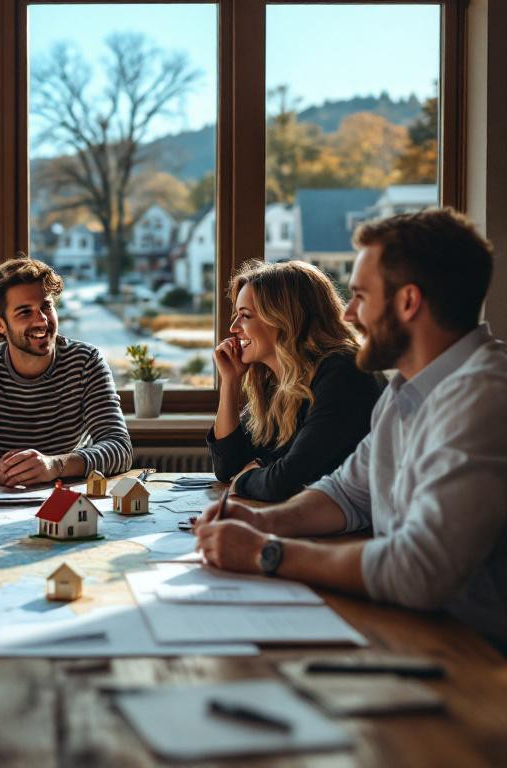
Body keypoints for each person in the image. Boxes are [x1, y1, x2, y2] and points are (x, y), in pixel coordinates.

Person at [194, 208, 507, 649]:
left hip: (480, 652)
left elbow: (419, 571)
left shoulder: (483, 397)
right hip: (421, 627)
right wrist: (259, 518)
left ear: (407, 302)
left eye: (359, 295)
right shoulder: (406, 391)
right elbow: (347, 494)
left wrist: (267, 552)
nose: (348, 314)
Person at [0, 256, 132, 486]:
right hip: (0, 496)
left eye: (46, 307)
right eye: (24, 312)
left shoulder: (86, 362)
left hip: (70, 496)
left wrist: (55, 466)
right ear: (0, 324)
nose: (41, 320)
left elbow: (119, 447)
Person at [208, 260, 385, 501]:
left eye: (245, 316)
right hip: (308, 520)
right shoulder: (276, 379)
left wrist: (245, 480)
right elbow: (227, 468)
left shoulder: (342, 373)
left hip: (356, 529)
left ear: (284, 319)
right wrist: (230, 382)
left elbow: (285, 482)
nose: (233, 328)